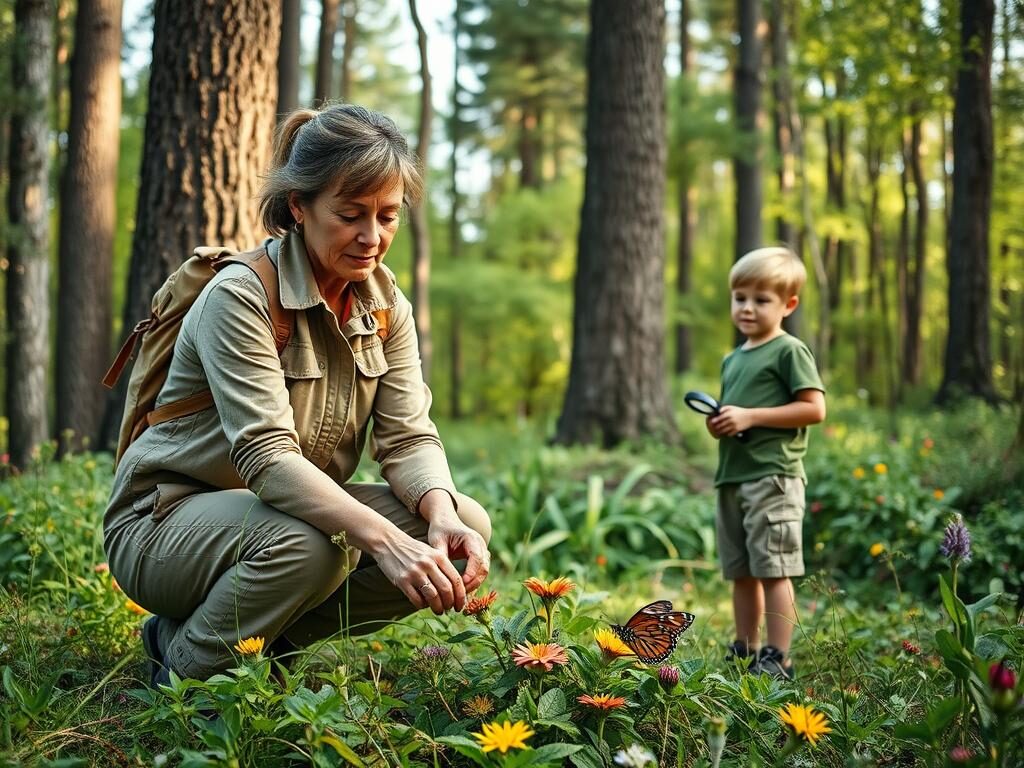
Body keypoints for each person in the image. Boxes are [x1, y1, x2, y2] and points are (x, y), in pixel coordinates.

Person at [103, 103, 491, 686]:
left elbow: (409, 438)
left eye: (388, 216)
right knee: (316, 546)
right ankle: (182, 671)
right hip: (164, 523)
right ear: (298, 206)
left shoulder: (386, 306)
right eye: (351, 215)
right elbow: (267, 459)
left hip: (282, 521)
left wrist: (437, 516)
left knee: (464, 522)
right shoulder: (241, 296)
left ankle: (263, 640)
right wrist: (385, 542)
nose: (372, 238)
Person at [705, 246, 826, 680]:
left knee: (774, 569)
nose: (748, 308)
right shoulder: (732, 358)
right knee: (741, 570)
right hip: (734, 476)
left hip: (773, 477)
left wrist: (751, 416)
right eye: (740, 298)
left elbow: (814, 409)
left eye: (762, 299)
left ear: (788, 305)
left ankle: (779, 655)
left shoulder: (788, 351)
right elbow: (739, 414)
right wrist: (724, 423)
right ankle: (746, 648)